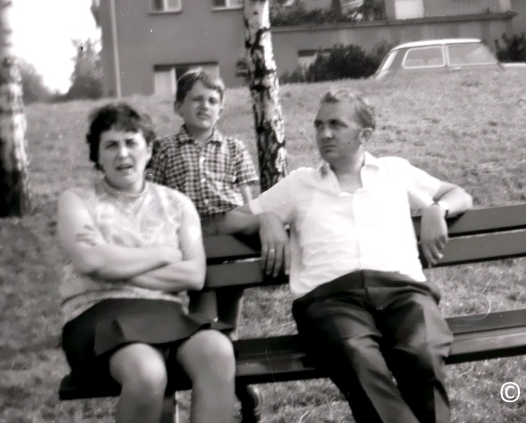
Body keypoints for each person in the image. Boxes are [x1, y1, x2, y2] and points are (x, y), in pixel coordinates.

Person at [222, 88, 473, 423]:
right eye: (319, 125)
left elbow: (459, 194)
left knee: (423, 353)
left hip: (405, 295)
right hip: (331, 301)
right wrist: (266, 217)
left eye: (336, 125)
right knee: (359, 359)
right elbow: (232, 219)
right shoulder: (300, 184)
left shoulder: (394, 172)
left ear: (364, 135)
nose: (324, 134)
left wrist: (435, 210)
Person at [57, 103, 235, 423]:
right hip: (97, 314)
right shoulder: (78, 201)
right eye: (110, 145)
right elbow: (90, 260)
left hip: (165, 313)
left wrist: (115, 265)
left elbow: (194, 274)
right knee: (147, 372)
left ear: (149, 149)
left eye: (131, 142)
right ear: (97, 155)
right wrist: (162, 255)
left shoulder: (178, 205)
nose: (122, 154)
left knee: (217, 352)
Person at [146, 70, 259, 328]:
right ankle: (205, 342)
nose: (205, 106)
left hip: (231, 235)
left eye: (212, 101)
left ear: (221, 109)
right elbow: (155, 195)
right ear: (178, 107)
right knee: (204, 304)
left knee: (231, 297)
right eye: (196, 99)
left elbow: (246, 201)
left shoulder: (234, 147)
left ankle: (230, 343)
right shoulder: (165, 149)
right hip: (192, 235)